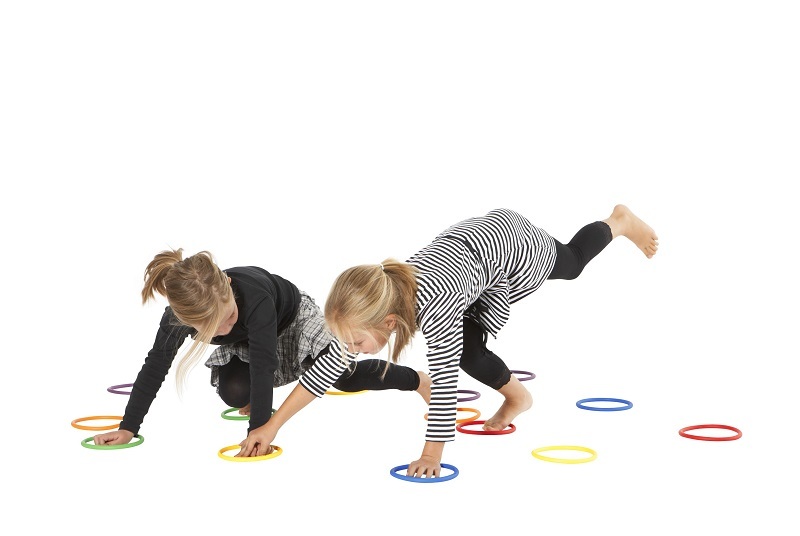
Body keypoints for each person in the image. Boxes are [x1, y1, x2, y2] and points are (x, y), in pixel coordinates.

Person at [320, 204, 658, 477]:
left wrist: (430, 455)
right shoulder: (389, 291)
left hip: (514, 247)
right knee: (467, 346)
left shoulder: (436, 307)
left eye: (356, 343)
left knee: (573, 263)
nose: (353, 351)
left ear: (389, 322)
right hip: (475, 244)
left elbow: (445, 379)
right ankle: (517, 396)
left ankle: (619, 220)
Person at [93, 248, 431, 456]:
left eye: (228, 317)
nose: (224, 329)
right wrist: (128, 427)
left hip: (292, 319)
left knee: (342, 377)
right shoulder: (176, 318)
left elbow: (264, 363)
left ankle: (417, 380)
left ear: (228, 286)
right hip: (250, 342)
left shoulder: (254, 297)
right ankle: (289, 381)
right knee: (234, 393)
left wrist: (257, 432)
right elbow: (155, 367)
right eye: (213, 329)